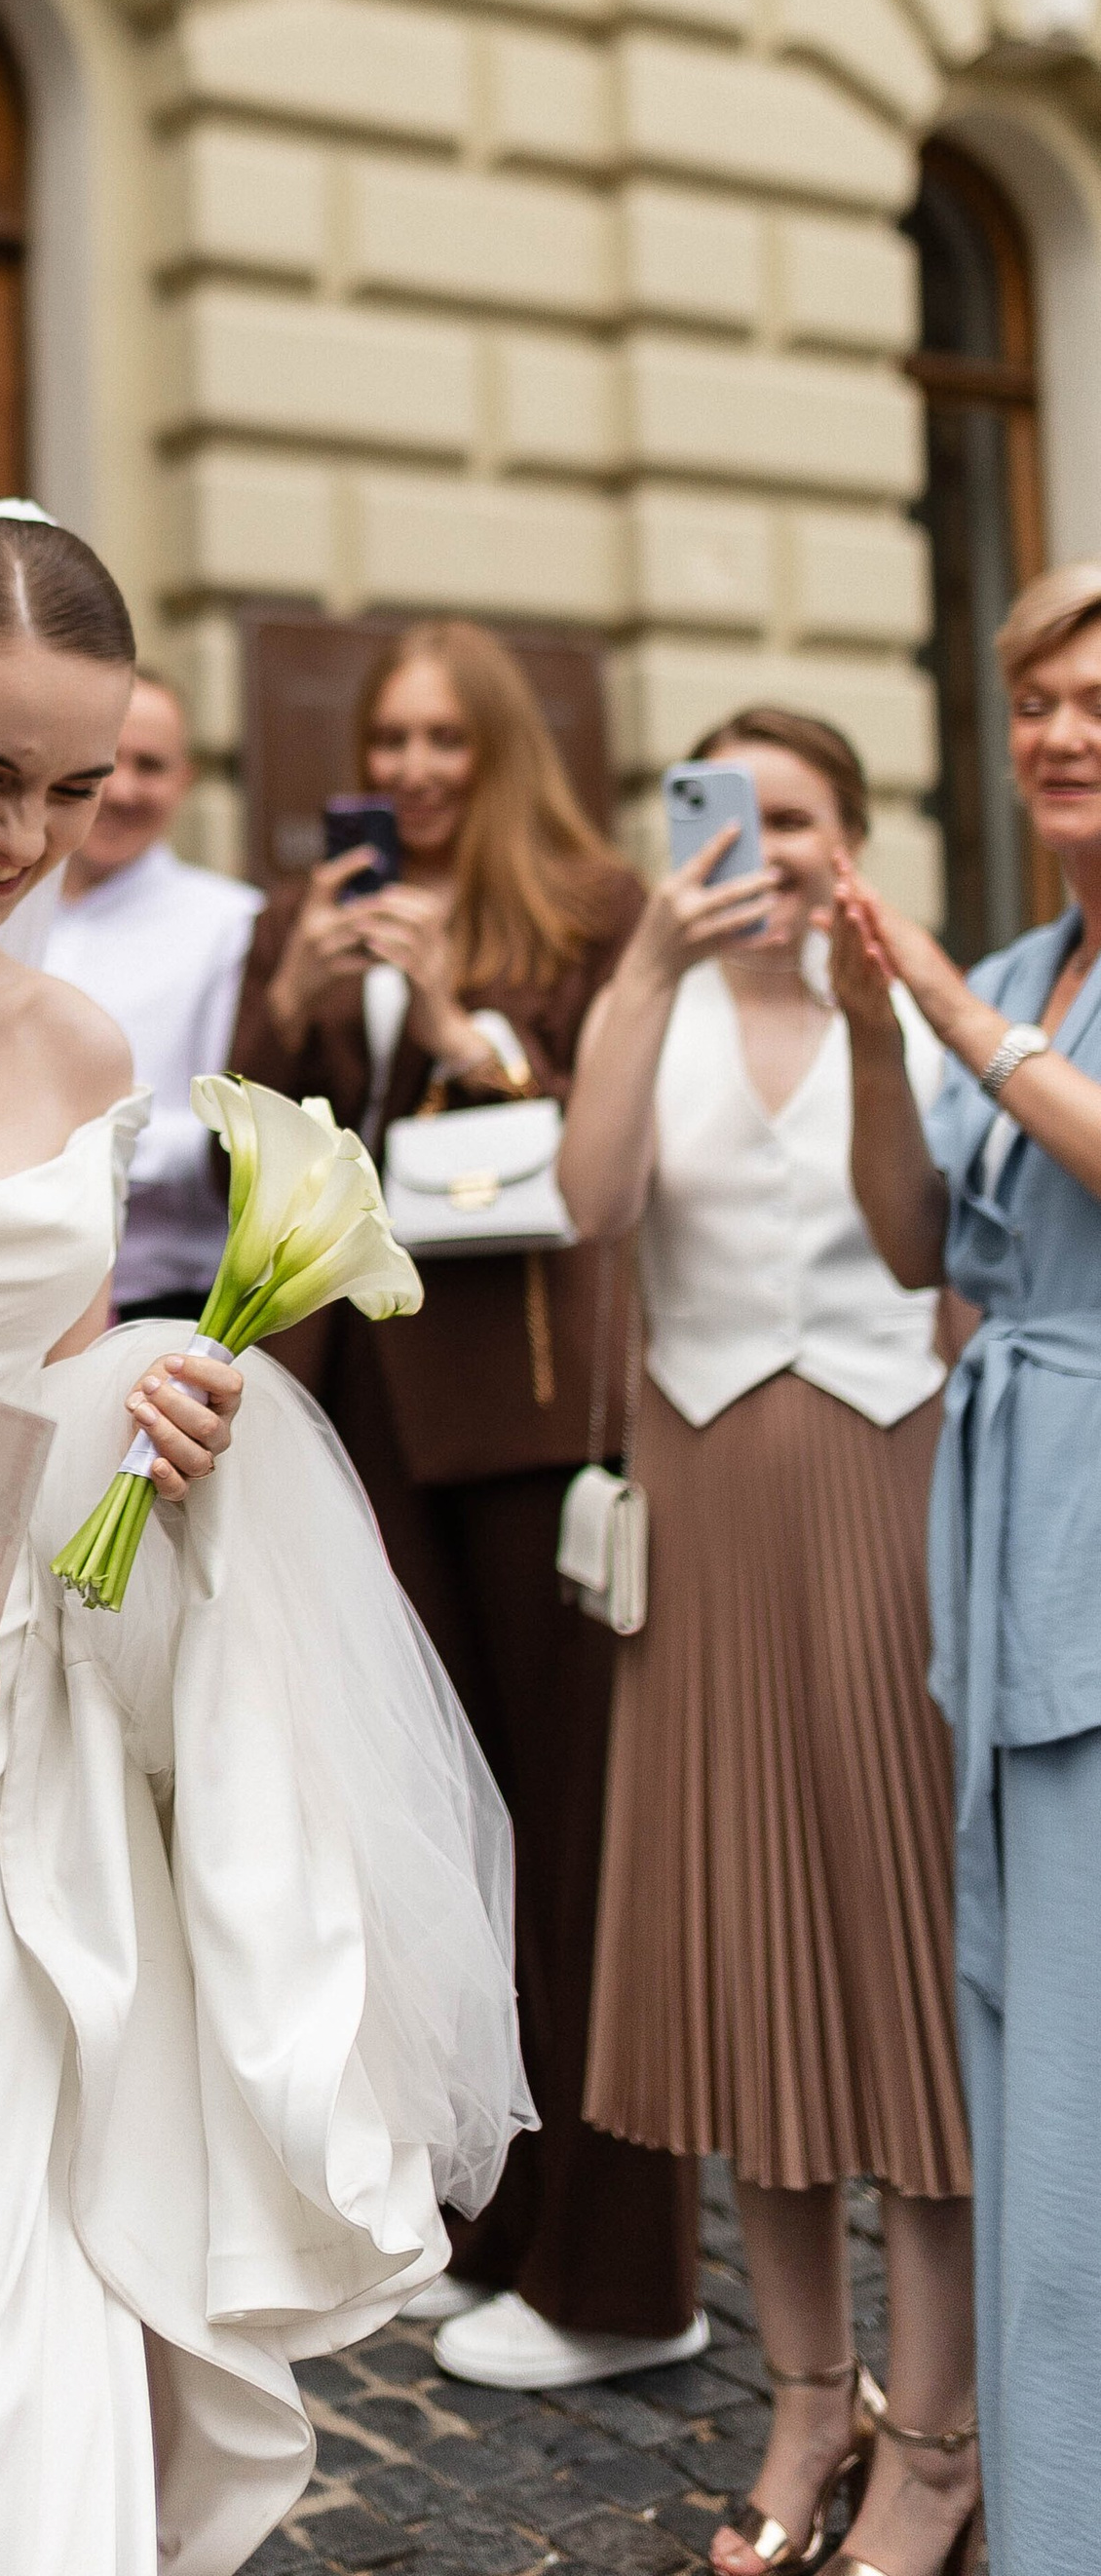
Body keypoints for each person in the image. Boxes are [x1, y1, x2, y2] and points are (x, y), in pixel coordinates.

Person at [0, 498, 530, 2576]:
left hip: (28, 1759)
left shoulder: (77, 1042)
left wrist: (145, 1400)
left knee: (18, 2374)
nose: (20, 841)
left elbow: (47, 1370)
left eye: (68, 792)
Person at [230, 619, 702, 2391]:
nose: (418, 770)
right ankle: (493, 2223)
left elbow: (606, 1156)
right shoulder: (311, 911)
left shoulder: (589, 910)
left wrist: (445, 1020)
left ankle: (628, 2271)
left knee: (579, 1838)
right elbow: (250, 1146)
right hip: (361, 1415)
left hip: (523, 1405)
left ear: (500, 747)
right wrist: (298, 1006)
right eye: (391, 737)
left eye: (447, 739)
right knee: (440, 1830)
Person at [559, 711, 973, 2576]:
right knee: (755, 1973)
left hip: (890, 1510)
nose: (766, 848)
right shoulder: (655, 998)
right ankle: (809, 2405)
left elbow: (909, 1246)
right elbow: (595, 1201)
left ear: (856, 838)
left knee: (900, 1984)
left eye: (800, 818)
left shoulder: (911, 1014)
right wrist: (648, 966)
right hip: (710, 1516)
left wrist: (881, 1019)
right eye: (732, 813)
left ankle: (941, 2440)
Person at [832, 557, 1101, 2576]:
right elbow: (923, 1245)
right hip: (1007, 1528)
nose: (1059, 736)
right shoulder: (1018, 963)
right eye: (1031, 703)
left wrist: (932, 1004)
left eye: (1094, 700)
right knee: (1010, 2040)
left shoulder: (983, 985)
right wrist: (870, 1034)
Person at [45, 669, 264, 1320]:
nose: (124, 789)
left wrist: (63, 1146)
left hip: (158, 1303)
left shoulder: (232, 923)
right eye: (108, 762)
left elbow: (227, 1134)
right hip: (3, 1292)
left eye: (152, 765)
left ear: (187, 778)